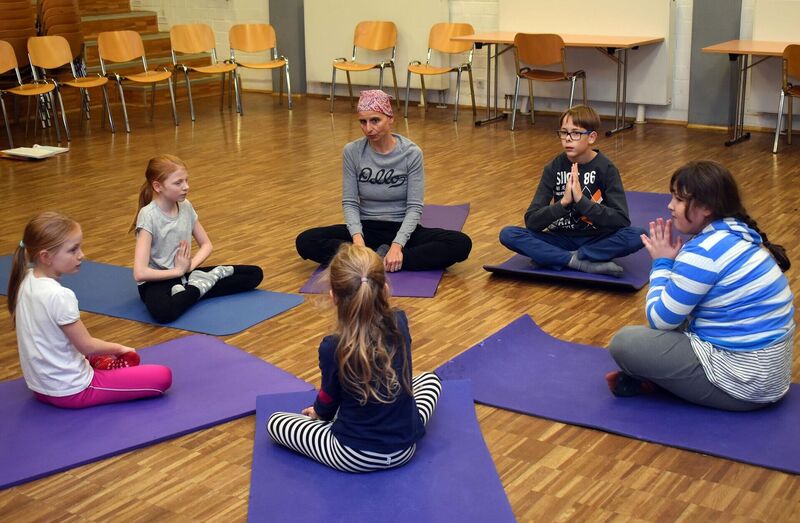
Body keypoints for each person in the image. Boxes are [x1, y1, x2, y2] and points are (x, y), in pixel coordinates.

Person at [607, 160, 795, 411]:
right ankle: (661, 379)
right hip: (772, 378)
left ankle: (661, 381)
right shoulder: (739, 236)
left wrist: (662, 264)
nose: (670, 205)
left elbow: (659, 320)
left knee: (624, 343)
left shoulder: (703, 252)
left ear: (706, 207)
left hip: (746, 386)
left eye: (678, 199)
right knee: (678, 315)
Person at [267, 244, 442, 472]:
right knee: (430, 379)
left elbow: (328, 397)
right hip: (405, 446)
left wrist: (318, 413)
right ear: (385, 290)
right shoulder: (400, 321)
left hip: (353, 454)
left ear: (333, 296)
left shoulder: (333, 346)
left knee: (275, 422)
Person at [7, 212, 172, 409]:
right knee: (162, 376)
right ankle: (99, 366)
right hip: (72, 390)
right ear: (46, 257)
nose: (81, 255)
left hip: (39, 388)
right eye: (73, 250)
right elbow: (86, 346)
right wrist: (120, 348)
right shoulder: (59, 295)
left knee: (93, 353)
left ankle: (99, 363)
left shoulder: (26, 279)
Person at [295, 89, 471, 272]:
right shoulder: (352, 151)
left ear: (390, 118)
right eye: (363, 122)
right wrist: (358, 242)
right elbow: (350, 202)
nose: (368, 128)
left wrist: (397, 246)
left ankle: (375, 260)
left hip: (402, 229)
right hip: (366, 228)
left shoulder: (411, 153)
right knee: (306, 240)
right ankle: (377, 258)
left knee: (460, 243)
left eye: (375, 120)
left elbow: (414, 207)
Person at [499, 105, 644, 277]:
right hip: (560, 238)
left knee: (639, 235)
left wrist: (581, 201)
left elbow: (621, 220)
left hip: (597, 238)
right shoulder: (553, 168)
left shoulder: (606, 168)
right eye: (564, 132)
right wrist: (563, 203)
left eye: (575, 133)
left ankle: (558, 258)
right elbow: (532, 221)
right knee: (508, 234)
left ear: (591, 137)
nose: (568, 139)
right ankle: (579, 261)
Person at [131, 154, 263, 323]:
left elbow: (206, 245)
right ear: (158, 186)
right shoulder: (148, 215)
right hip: (156, 281)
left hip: (186, 273)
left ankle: (189, 289)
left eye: (186, 180)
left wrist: (189, 267)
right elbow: (140, 273)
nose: (186, 187)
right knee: (164, 312)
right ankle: (197, 288)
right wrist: (178, 271)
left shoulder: (185, 206)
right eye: (178, 183)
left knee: (254, 274)